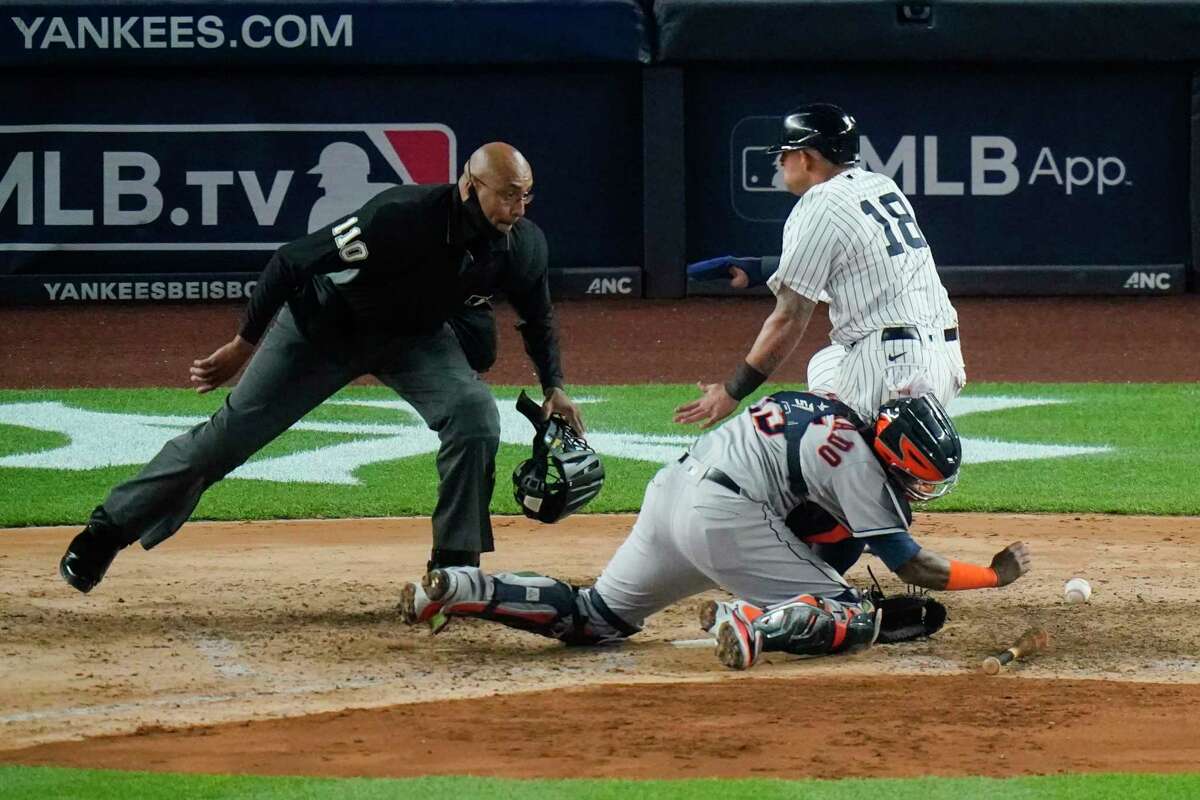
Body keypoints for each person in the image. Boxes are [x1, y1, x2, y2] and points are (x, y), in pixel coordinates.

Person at [59, 142, 584, 594]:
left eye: (525, 195)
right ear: (470, 185)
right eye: (507, 193)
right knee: (228, 439)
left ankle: (455, 568)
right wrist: (243, 345)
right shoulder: (400, 215)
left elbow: (537, 317)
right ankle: (104, 533)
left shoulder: (522, 246)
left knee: (474, 413)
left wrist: (554, 386)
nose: (517, 206)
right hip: (324, 331)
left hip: (413, 341)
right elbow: (292, 260)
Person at [399, 391, 1031, 670]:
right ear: (895, 455)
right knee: (852, 614)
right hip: (725, 517)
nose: (920, 487)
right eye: (919, 474)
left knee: (596, 618)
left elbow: (806, 533)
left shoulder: (826, 411)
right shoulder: (864, 472)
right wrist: (995, 575)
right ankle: (752, 623)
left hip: (674, 490)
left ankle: (458, 586)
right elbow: (914, 568)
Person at [679, 102, 965, 429]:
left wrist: (732, 390)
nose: (780, 161)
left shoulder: (819, 203)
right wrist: (758, 269)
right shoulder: (882, 186)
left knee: (815, 456)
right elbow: (861, 262)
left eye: (785, 152)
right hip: (944, 360)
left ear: (806, 157)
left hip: (891, 369)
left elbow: (788, 319)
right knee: (827, 363)